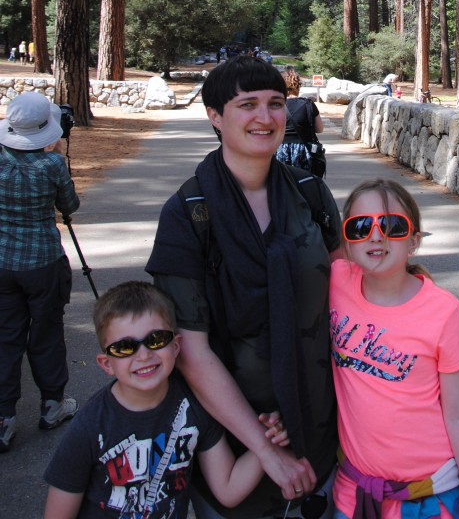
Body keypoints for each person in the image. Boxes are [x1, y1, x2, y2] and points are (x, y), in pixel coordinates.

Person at [146, 56, 342, 519]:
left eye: (276, 103)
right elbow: (191, 350)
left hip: (318, 415)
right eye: (247, 104)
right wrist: (265, 450)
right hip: (230, 435)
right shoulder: (187, 213)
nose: (265, 117)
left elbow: (350, 299)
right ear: (215, 116)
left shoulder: (311, 195)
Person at [43, 281, 288, 519]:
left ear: (176, 346)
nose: (144, 355)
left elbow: (227, 489)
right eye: (125, 347)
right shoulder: (89, 427)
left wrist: (267, 440)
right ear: (107, 363)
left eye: (156, 339)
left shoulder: (193, 405)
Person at [330, 178, 459, 519]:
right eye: (360, 226)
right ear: (347, 242)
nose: (375, 235)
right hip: (354, 494)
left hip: (429, 500)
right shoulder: (335, 282)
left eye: (391, 225)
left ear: (414, 241)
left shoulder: (443, 311)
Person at [0, 92, 80, 452]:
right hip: (43, 262)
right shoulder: (52, 167)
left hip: (3, 263)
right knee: (46, 332)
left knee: (6, 335)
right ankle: (51, 405)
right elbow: (70, 206)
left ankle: (4, 417)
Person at [275, 68, 325, 176]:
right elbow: (320, 129)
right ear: (298, 86)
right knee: (304, 184)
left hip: (280, 151)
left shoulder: (276, 105)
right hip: (304, 151)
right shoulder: (308, 104)